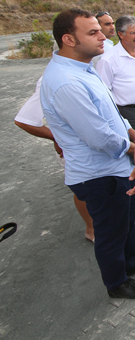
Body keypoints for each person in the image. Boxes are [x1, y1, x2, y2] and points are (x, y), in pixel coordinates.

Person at [39, 9, 135, 300]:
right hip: (98, 174)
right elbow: (98, 136)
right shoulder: (66, 82)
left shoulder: (83, 68)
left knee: (128, 215)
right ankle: (116, 283)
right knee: (110, 230)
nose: (102, 36)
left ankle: (130, 262)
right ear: (69, 39)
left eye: (100, 29)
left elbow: (111, 113)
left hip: (115, 166)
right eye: (93, 32)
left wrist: (132, 133)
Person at [14, 77, 95, 243]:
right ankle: (92, 229)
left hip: (96, 143)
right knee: (85, 187)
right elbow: (25, 120)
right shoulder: (51, 79)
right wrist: (56, 137)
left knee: (99, 187)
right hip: (75, 148)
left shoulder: (88, 72)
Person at [96, 15, 135, 131]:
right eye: (133, 33)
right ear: (121, 34)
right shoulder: (108, 60)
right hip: (128, 113)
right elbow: (103, 94)